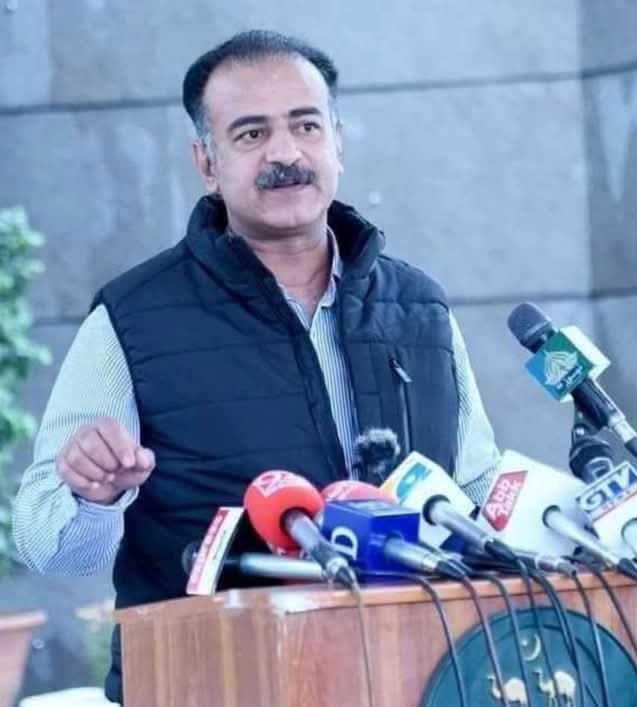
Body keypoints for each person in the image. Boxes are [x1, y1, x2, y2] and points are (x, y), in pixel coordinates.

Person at [12, 30, 500, 703]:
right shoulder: (132, 318)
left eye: (306, 125)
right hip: (210, 683)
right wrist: (94, 493)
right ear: (207, 163)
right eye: (251, 134)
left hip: (411, 675)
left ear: (337, 141)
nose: (285, 154)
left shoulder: (419, 308)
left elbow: (477, 493)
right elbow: (48, 545)